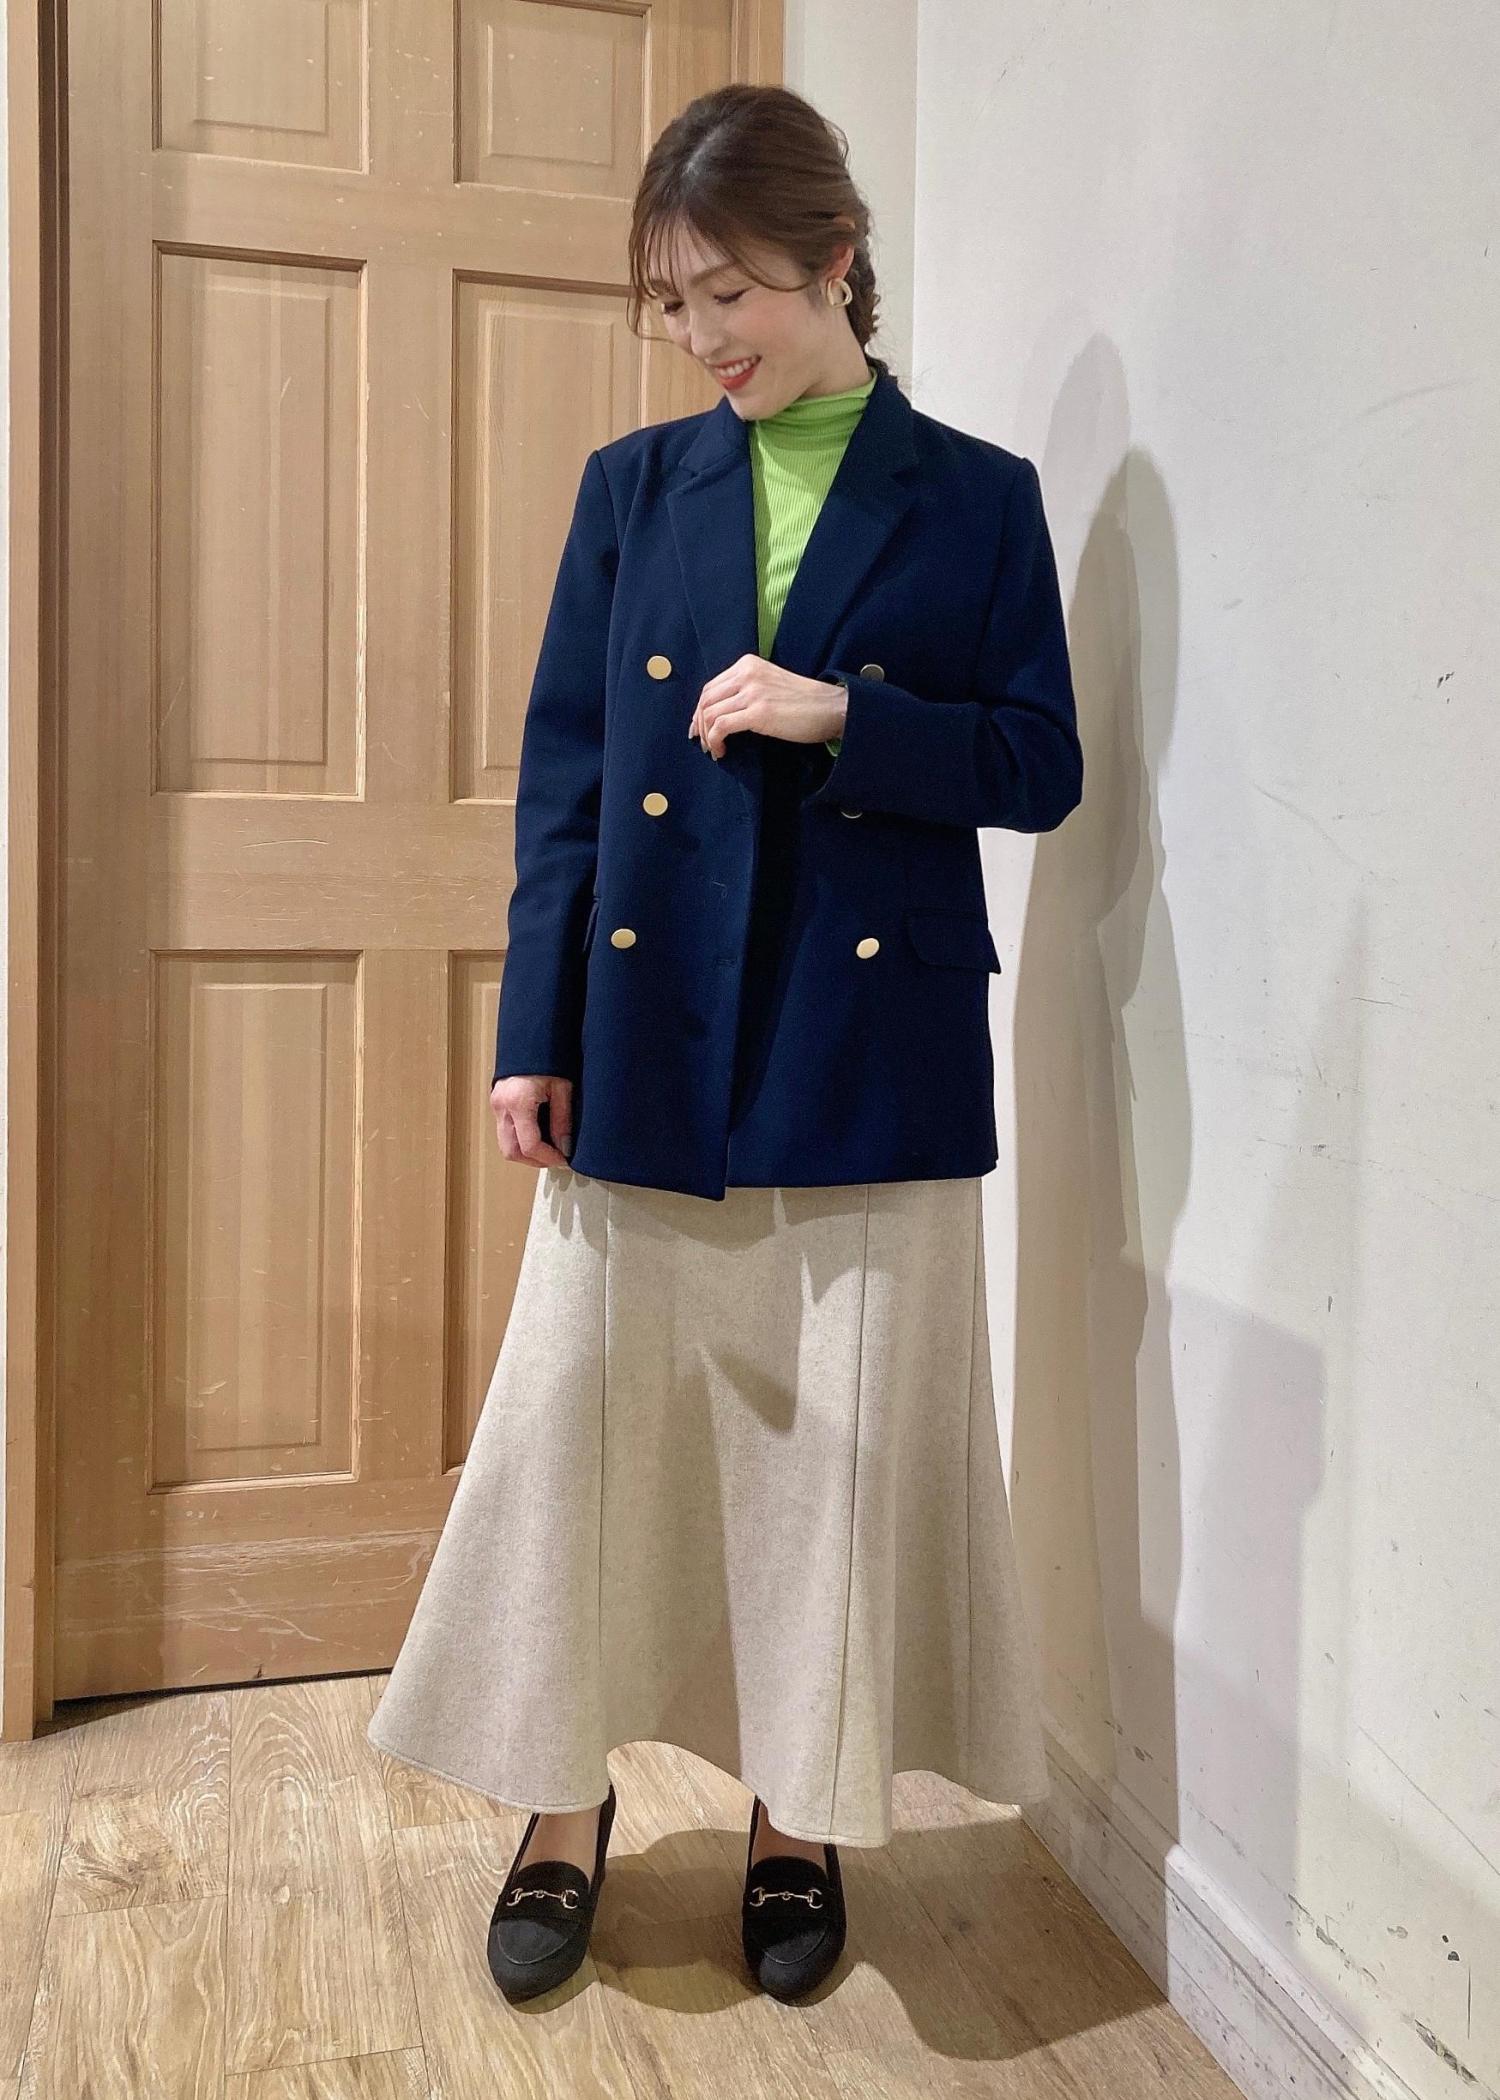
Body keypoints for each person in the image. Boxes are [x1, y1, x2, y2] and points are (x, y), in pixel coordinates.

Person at [367, 81, 1083, 2007]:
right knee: (582, 1442)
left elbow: (1042, 765)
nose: (703, 336)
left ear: (835, 259)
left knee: (826, 1471)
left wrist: (848, 715)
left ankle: (796, 1822)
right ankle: (558, 1805)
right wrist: (533, 1031)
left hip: (867, 1046)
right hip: (653, 1029)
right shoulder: (633, 489)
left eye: (731, 293)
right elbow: (570, 782)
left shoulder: (978, 495)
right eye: (674, 301)